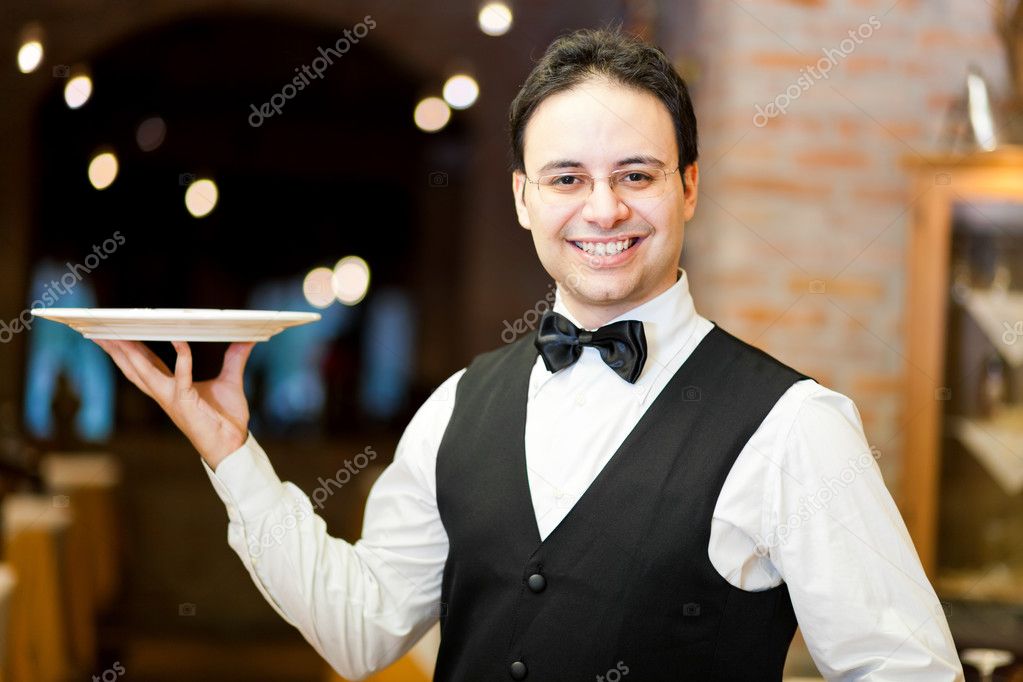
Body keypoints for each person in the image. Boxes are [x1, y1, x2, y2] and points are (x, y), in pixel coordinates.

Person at [94, 27, 964, 681]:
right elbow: (360, 634)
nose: (603, 210)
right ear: (521, 199)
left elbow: (907, 670)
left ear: (688, 186)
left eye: (636, 174)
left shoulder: (795, 428)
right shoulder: (457, 406)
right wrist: (230, 455)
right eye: (566, 179)